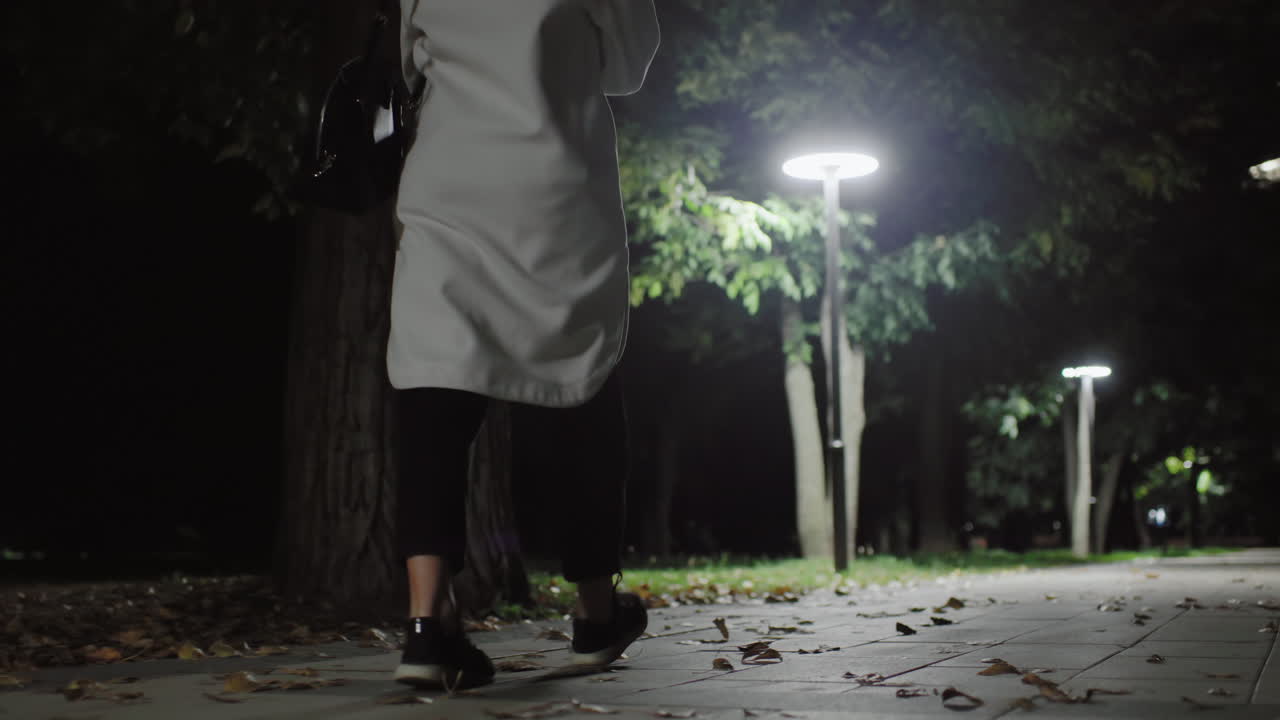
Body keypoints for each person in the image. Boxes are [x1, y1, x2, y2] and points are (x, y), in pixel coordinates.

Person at [388, 0, 661, 690]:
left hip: (448, 184)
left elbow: (412, 64)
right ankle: (597, 614)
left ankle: (426, 622)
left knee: (433, 387)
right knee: (581, 384)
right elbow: (627, 69)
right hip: (551, 190)